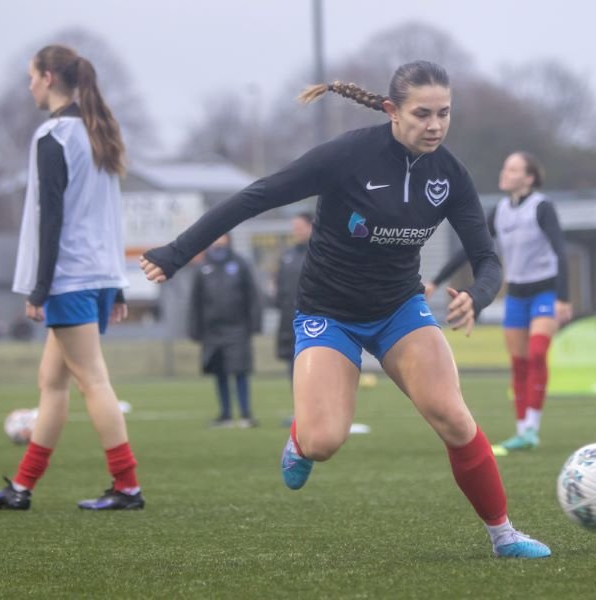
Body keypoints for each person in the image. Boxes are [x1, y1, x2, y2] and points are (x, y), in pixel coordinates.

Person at [140, 61, 550, 558]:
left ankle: (504, 534)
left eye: (444, 113)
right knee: (323, 442)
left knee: (454, 418)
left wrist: (477, 297)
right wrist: (176, 252)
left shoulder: (450, 175)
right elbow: (257, 197)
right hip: (329, 312)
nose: (435, 125)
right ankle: (299, 437)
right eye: (422, 114)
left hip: (400, 309)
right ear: (391, 110)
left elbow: (486, 258)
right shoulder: (348, 155)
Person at [0, 45, 143, 511]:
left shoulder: (54, 135)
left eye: (31, 76)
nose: (28, 84)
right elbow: (108, 219)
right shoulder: (98, 133)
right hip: (93, 275)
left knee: (93, 381)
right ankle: (21, 488)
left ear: (49, 77)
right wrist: (116, 281)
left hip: (69, 278)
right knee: (51, 383)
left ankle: (128, 486)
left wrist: (39, 285)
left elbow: (50, 218)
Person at [426, 151, 572, 456]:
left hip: (545, 293)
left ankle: (532, 427)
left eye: (513, 169)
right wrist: (437, 281)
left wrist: (563, 298)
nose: (504, 173)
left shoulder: (542, 207)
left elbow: (560, 250)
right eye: (505, 167)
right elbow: (471, 248)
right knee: (518, 363)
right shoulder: (500, 210)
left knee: (536, 353)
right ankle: (522, 432)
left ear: (529, 177)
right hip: (516, 294)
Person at [189, 233, 262, 428]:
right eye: (215, 237)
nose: (218, 241)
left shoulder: (240, 264)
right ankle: (225, 415)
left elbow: (253, 296)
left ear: (228, 239)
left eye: (222, 237)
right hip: (212, 330)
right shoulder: (202, 267)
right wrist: (195, 329)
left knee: (240, 371)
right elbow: (195, 302)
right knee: (219, 372)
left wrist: (255, 323)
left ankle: (246, 414)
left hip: (238, 328)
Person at [274, 212, 314, 383]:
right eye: (294, 228)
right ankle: (300, 409)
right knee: (293, 364)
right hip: (290, 319)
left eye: (300, 227)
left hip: (315, 319)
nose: (296, 231)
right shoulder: (287, 256)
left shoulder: (320, 253)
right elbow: (280, 286)